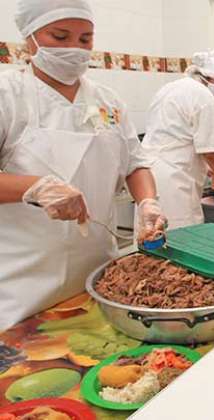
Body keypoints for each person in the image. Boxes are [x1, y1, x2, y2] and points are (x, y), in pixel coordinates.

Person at [0, 0, 166, 330]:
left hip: (101, 277)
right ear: (29, 37)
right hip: (23, 286)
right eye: (60, 36)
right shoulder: (8, 95)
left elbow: (135, 162)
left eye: (85, 39)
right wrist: (34, 188)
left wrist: (147, 202)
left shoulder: (107, 102)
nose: (74, 49)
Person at [142, 48, 214, 229]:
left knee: (150, 235)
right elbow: (211, 152)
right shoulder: (204, 98)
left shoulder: (171, 88)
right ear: (213, 78)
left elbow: (177, 136)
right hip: (175, 180)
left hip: (146, 177)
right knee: (180, 238)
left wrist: (208, 168)